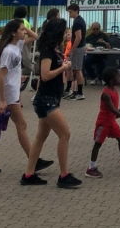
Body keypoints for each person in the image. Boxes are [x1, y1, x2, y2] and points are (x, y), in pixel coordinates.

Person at [0, 19, 55, 175]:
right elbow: (1, 76)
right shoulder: (8, 52)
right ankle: (34, 159)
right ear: (13, 33)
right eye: (20, 30)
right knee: (22, 125)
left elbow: (35, 37)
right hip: (9, 93)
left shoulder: (16, 45)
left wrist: (23, 26)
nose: (24, 32)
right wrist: (3, 100)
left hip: (12, 92)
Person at [21, 17, 81, 188]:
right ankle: (64, 175)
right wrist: (63, 68)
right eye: (63, 32)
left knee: (41, 137)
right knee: (65, 134)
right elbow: (45, 75)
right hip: (46, 100)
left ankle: (29, 173)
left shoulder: (55, 51)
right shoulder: (47, 51)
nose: (65, 36)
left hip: (51, 98)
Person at [86, 68, 120, 178]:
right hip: (103, 123)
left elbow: (115, 110)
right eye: (118, 77)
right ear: (111, 81)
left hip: (112, 122)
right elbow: (112, 110)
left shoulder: (114, 89)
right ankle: (91, 168)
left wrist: (119, 112)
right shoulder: (106, 94)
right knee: (98, 144)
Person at [64, 3, 87, 100]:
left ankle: (80, 92)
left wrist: (72, 50)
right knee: (73, 68)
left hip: (78, 47)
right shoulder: (79, 20)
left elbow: (78, 37)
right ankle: (71, 89)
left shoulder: (77, 22)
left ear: (76, 11)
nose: (69, 14)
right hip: (80, 47)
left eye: (70, 12)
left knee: (77, 69)